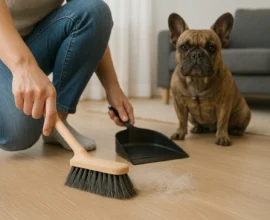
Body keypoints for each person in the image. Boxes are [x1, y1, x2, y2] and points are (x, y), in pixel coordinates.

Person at [0, 0, 134, 152]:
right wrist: (23, 65)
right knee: (20, 134)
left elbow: (92, 18)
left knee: (96, 10)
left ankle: (57, 123)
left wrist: (112, 87)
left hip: (34, 43)